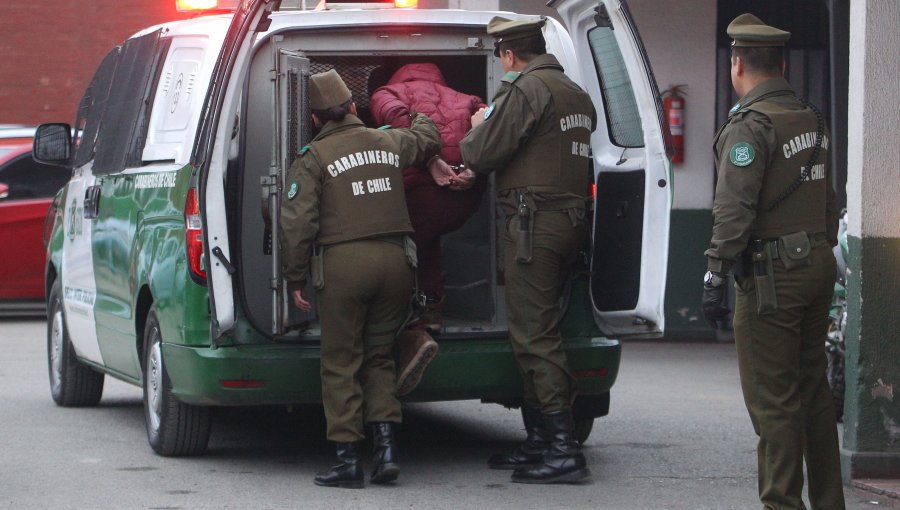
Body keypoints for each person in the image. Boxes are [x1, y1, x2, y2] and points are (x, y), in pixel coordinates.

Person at [701, 14, 845, 509]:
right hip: (818, 266)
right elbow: (829, 201)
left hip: (772, 277)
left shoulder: (750, 126)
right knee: (814, 395)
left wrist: (716, 272)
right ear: (781, 64)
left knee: (774, 402)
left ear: (737, 65)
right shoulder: (812, 119)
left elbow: (733, 210)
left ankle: (782, 505)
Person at [280, 69, 441, 489]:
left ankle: (348, 459)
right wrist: (420, 110)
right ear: (353, 107)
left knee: (341, 360)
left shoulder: (312, 157)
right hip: (397, 265)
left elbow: (298, 222)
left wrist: (295, 276)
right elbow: (428, 138)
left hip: (344, 267)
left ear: (316, 120)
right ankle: (386, 450)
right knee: (380, 355)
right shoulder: (387, 139)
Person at [458, 16, 596, 484]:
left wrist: (479, 124)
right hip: (569, 224)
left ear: (509, 55)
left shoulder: (524, 91)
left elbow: (479, 152)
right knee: (538, 328)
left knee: (535, 335)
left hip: (535, 226)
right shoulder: (574, 92)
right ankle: (540, 440)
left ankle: (562, 448)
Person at [369, 62, 488, 395]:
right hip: (463, 198)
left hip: (418, 195)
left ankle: (414, 329)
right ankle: (433, 306)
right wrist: (474, 171)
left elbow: (398, 121)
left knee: (397, 252)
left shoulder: (387, 93)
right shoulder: (470, 99)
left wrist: (428, 159)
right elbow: (490, 131)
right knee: (426, 240)